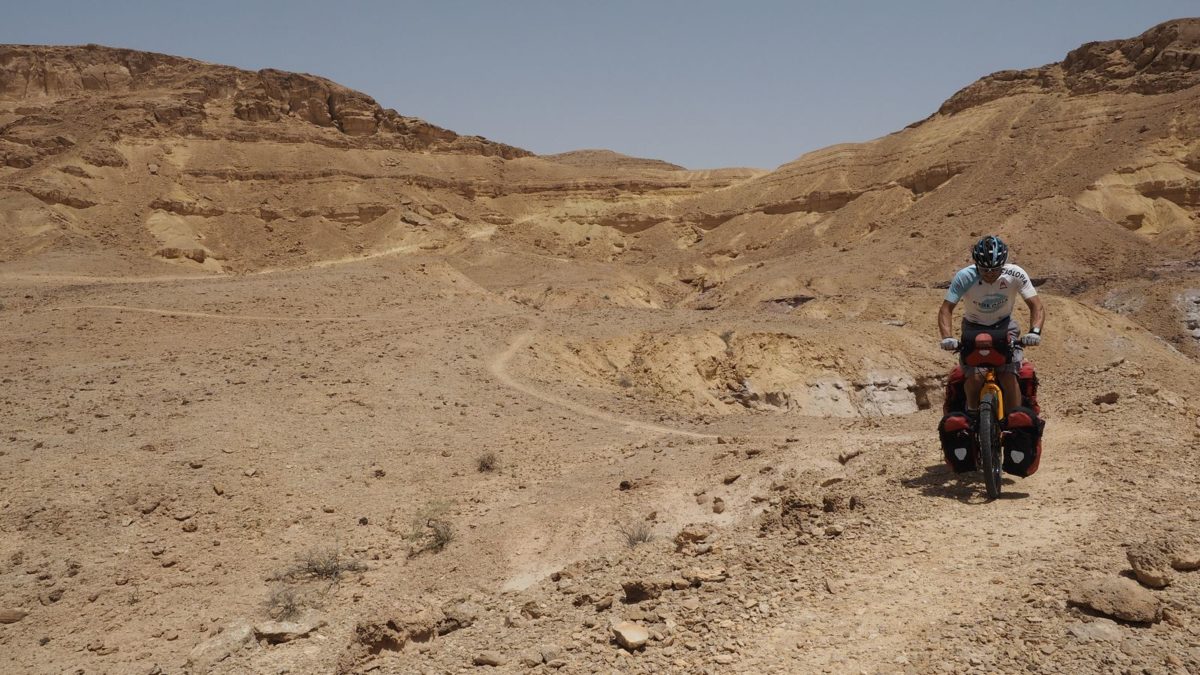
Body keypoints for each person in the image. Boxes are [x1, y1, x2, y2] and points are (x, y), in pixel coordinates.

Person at [938, 235, 1044, 416]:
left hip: (1004, 325)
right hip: (973, 327)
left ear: (1003, 264)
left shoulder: (1015, 273)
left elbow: (1036, 305)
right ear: (976, 264)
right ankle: (972, 416)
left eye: (995, 270)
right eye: (984, 269)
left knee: (1008, 376)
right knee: (976, 376)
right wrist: (947, 337)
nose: (989, 274)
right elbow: (946, 309)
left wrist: (1034, 332)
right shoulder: (965, 277)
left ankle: (1014, 421)